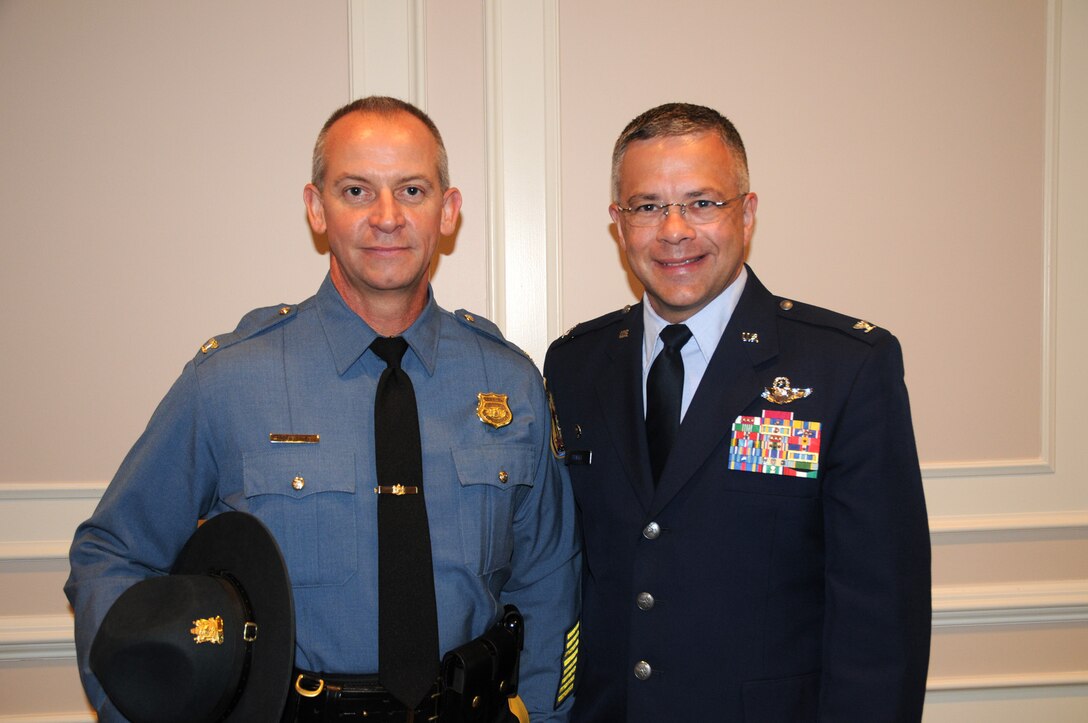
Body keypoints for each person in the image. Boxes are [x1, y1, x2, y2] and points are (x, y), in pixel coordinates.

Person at [66, 96, 581, 722]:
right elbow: (112, 552)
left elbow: (549, 576)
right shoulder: (230, 381)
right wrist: (142, 703)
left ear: (448, 212)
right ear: (317, 209)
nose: (387, 218)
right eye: (357, 191)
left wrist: (541, 716)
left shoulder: (509, 381)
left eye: (412, 190)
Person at [543, 102, 930, 722]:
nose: (674, 230)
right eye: (647, 206)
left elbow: (881, 617)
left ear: (746, 214)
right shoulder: (574, 365)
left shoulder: (844, 368)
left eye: (702, 202)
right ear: (618, 224)